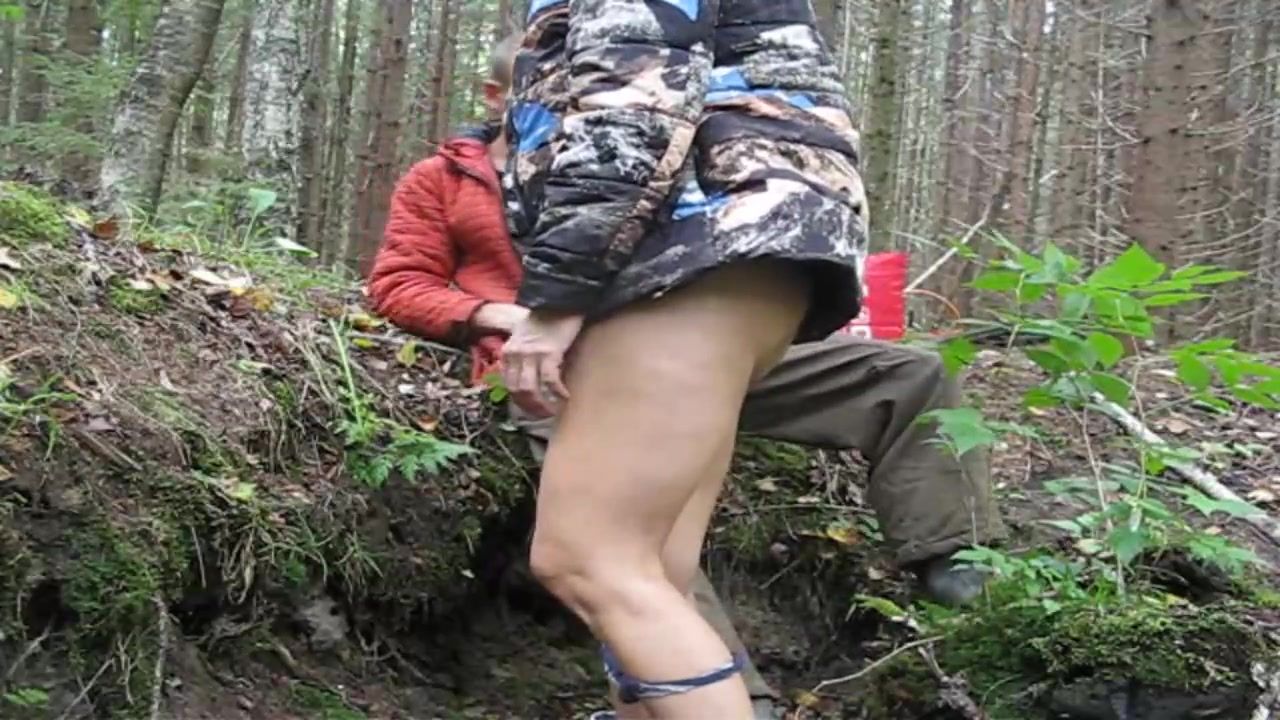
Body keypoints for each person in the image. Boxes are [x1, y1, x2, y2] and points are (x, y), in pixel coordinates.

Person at [369, 18, 1004, 720]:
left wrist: (560, 297)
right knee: (636, 556)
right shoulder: (445, 179)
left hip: (676, 308)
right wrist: (505, 317)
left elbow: (631, 115)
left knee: (906, 375)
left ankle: (960, 567)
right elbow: (398, 283)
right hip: (571, 358)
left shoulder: (627, 135)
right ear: (498, 94)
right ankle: (731, 697)